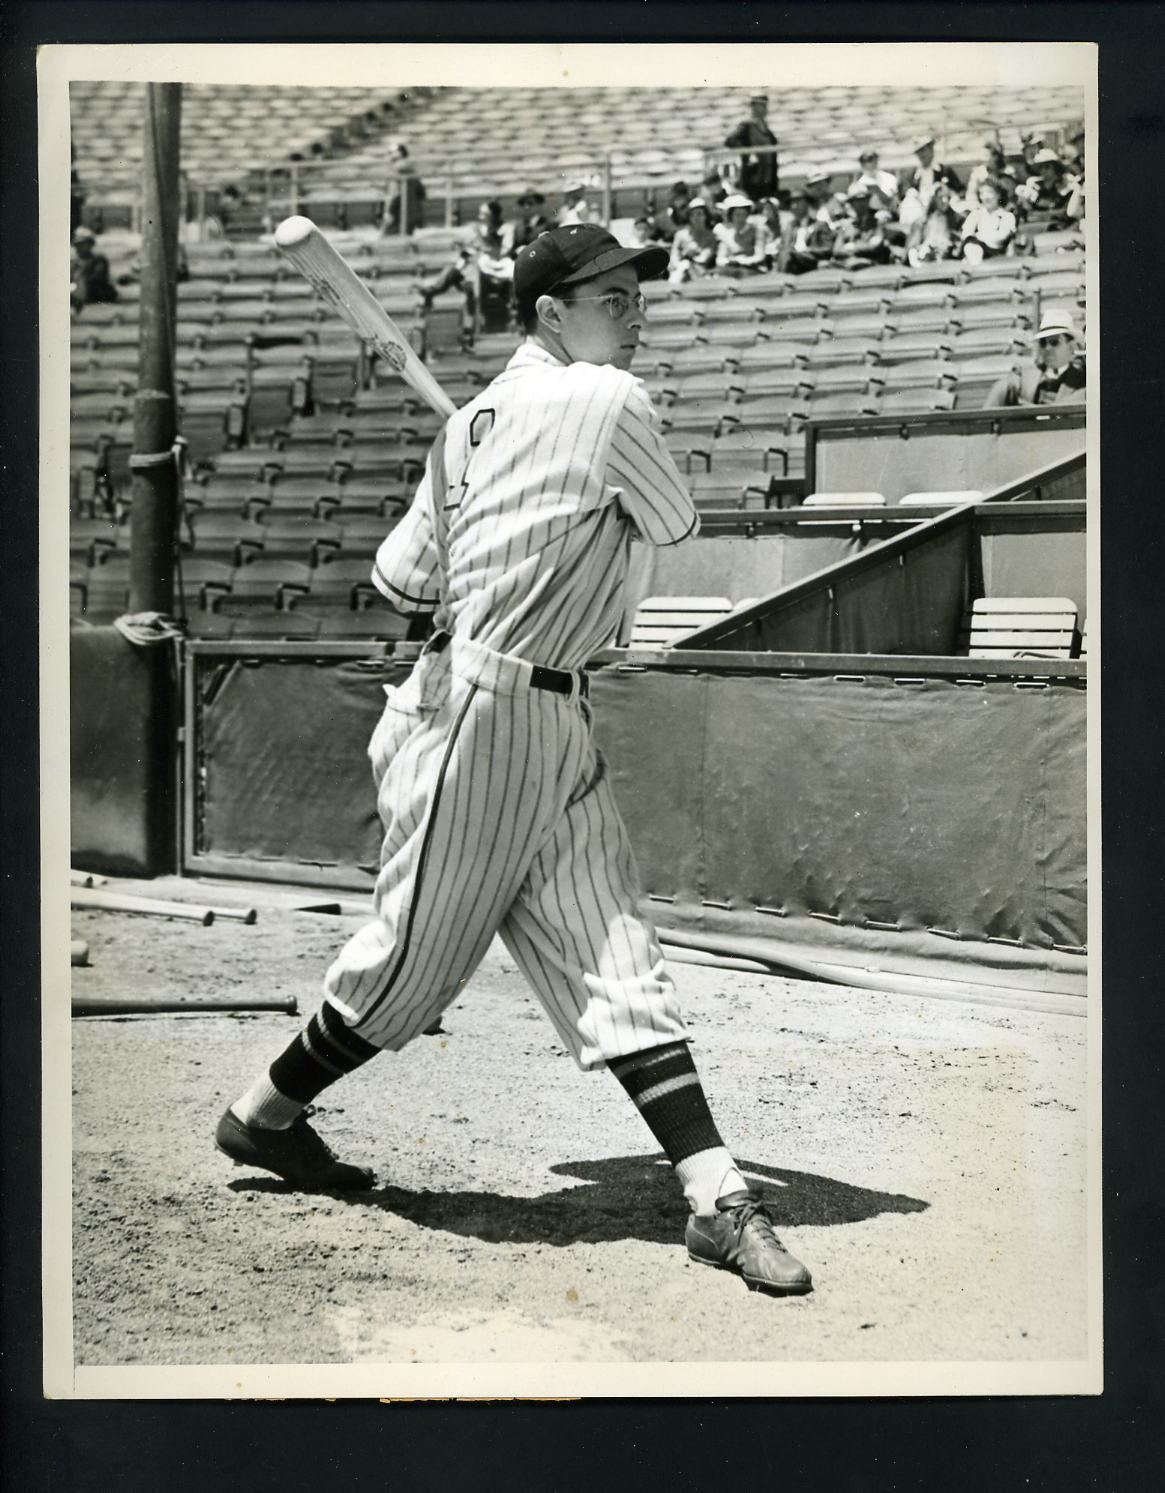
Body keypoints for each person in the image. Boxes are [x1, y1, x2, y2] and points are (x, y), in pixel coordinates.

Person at [215, 221, 813, 1300]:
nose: (637, 311)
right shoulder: (602, 402)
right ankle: (262, 1114)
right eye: (613, 296)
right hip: (480, 713)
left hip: (544, 708)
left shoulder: (471, 430)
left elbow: (400, 577)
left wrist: (483, 473)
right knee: (407, 973)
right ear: (548, 312)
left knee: (614, 950)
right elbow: (671, 521)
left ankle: (717, 1194)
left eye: (638, 293)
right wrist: (517, 489)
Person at [421, 199, 514, 341]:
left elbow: (503, 252)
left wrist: (485, 247)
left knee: (470, 277)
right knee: (456, 268)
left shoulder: (505, 228)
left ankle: (467, 329)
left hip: (495, 271)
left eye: (484, 214)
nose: (480, 217)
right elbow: (471, 248)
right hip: (477, 268)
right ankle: (433, 291)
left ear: (493, 215)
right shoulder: (479, 229)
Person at [982, 309, 1086, 407]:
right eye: (1043, 343)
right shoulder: (1021, 376)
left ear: (1071, 346)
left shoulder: (1083, 381)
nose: (1047, 348)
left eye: (1054, 342)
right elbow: (991, 408)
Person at [725, 93, 779, 202]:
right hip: (753, 177)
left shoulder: (766, 128)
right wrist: (748, 152)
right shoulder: (747, 126)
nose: (764, 109)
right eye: (760, 106)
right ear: (753, 107)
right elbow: (730, 141)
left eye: (765, 106)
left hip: (768, 178)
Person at [775, 187, 834, 273]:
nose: (794, 206)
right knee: (786, 254)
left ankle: (781, 278)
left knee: (788, 255)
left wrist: (805, 251)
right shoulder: (789, 228)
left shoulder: (820, 225)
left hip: (810, 262)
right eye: (792, 203)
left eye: (798, 202)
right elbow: (784, 247)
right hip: (791, 262)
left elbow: (827, 249)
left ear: (807, 203)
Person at [905, 181, 964, 266]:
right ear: (933, 199)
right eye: (940, 197)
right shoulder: (922, 221)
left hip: (946, 254)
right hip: (924, 254)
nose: (945, 201)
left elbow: (960, 238)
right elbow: (913, 246)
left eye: (947, 197)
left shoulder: (956, 218)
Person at [959, 178, 1016, 264]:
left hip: (996, 250)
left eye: (990, 192)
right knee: (971, 246)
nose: (986, 197)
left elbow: (1002, 237)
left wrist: (979, 236)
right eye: (982, 193)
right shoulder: (976, 214)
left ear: (998, 194)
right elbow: (965, 234)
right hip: (977, 247)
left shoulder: (1007, 216)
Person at [713, 193, 771, 275]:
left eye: (743, 214)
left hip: (754, 271)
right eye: (737, 214)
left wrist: (743, 261)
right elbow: (720, 259)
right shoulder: (726, 233)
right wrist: (730, 261)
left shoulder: (757, 230)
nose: (740, 218)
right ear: (731, 215)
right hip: (731, 272)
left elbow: (760, 256)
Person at [667, 197, 719, 282]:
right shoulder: (680, 235)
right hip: (681, 270)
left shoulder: (712, 235)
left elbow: (704, 258)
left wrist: (690, 257)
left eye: (699, 214)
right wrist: (682, 258)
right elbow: (674, 256)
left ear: (706, 216)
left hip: (703, 273)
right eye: (692, 215)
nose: (696, 218)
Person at [70, 226, 118, 311]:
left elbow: (98, 277)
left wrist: (81, 279)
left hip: (94, 292)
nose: (79, 248)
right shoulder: (73, 262)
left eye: (82, 244)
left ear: (90, 245)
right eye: (77, 245)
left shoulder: (98, 260)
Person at [384, 143, 426, 236]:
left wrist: (390, 210)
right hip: (399, 203)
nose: (390, 154)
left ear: (401, 152)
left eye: (393, 152)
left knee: (395, 233)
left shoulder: (403, 166)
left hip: (402, 204)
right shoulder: (395, 167)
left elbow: (397, 193)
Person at [501, 189, 553, 258]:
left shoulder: (547, 225)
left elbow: (551, 250)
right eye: (523, 204)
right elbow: (512, 249)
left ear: (539, 205)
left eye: (530, 204)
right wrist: (517, 250)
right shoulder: (518, 226)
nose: (526, 207)